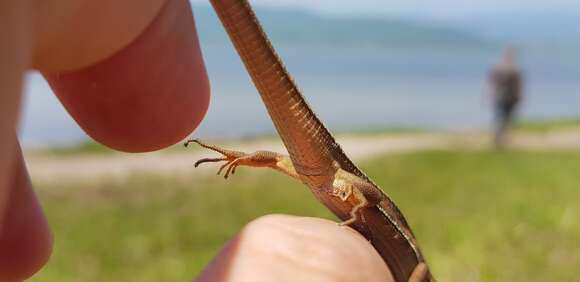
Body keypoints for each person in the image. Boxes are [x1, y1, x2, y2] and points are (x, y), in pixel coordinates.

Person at [0, 0, 393, 281]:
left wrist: (241, 157)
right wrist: (360, 211)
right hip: (343, 184)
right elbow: (374, 201)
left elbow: (279, 161)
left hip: (331, 182)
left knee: (281, 159)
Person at [489, 47, 524, 149]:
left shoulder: (515, 69)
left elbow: (519, 85)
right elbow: (492, 83)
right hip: (501, 97)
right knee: (501, 119)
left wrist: (519, 96)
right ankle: (499, 140)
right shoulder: (501, 68)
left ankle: (503, 140)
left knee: (506, 120)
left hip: (510, 98)